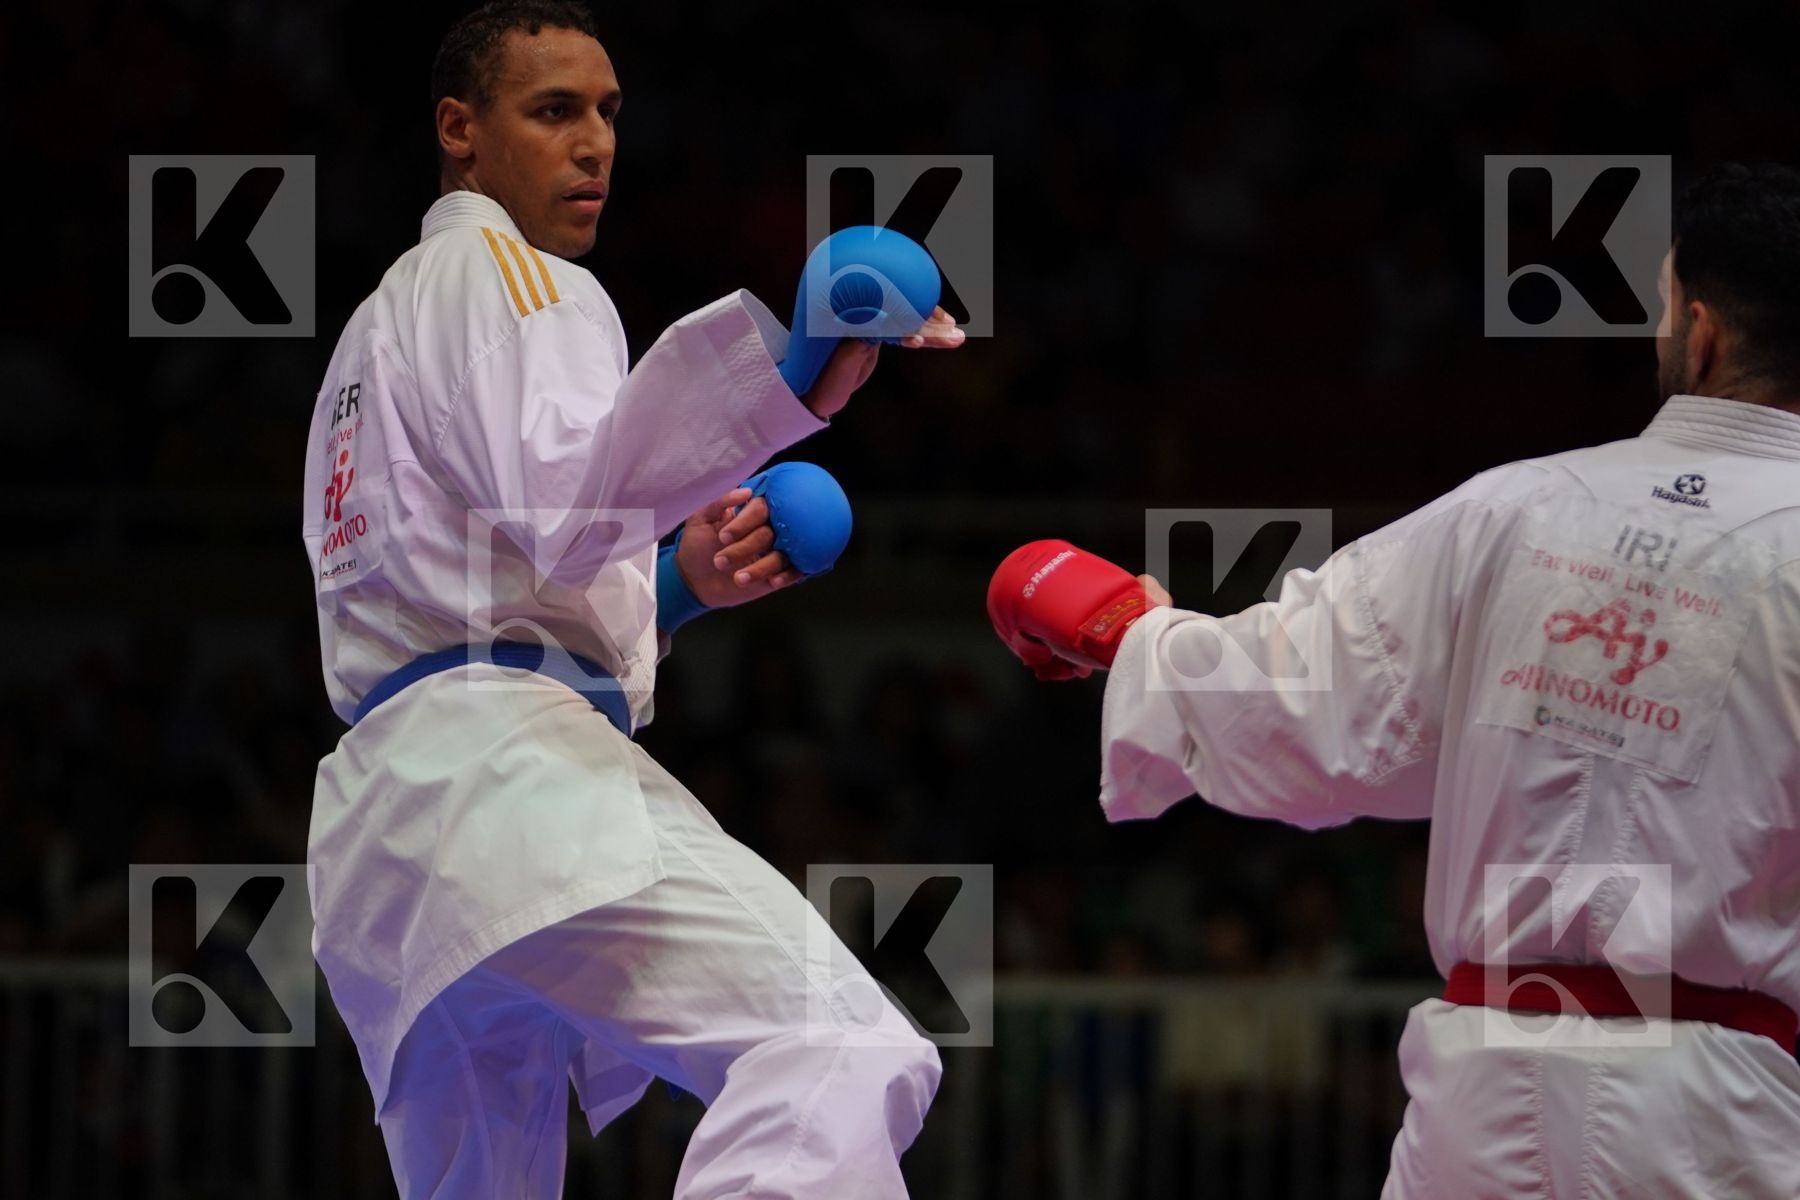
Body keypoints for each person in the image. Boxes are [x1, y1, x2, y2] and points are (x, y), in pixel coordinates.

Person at [988, 161, 1800, 1197]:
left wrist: (1118, 630)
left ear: (1699, 334)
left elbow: (1305, 694)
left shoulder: (1514, 509)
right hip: (1722, 1115)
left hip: (1483, 1104)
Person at [300, 2, 963, 1195]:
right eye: (554, 111)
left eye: (608, 113)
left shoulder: (373, 332)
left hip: (390, 837)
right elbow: (563, 499)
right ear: (460, 130)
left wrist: (673, 585)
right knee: (838, 1045)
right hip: (507, 790)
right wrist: (797, 368)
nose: (595, 142)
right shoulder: (508, 271)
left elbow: (468, 592)